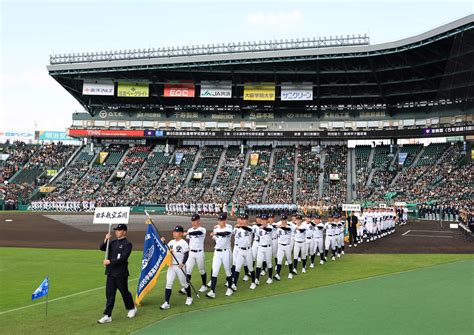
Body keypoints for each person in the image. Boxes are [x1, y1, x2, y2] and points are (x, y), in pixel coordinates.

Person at [97, 224, 136, 324]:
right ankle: (107, 315)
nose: (116, 232)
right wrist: (106, 239)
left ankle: (131, 308)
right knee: (109, 295)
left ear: (124, 232)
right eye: (116, 230)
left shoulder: (128, 244)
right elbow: (102, 248)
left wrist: (110, 261)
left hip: (121, 274)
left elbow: (123, 258)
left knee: (124, 292)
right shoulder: (112, 242)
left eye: (119, 230)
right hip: (110, 273)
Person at [206, 213, 234, 298]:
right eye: (219, 220)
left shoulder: (229, 227)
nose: (220, 221)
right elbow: (215, 240)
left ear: (225, 220)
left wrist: (216, 234)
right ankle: (212, 291)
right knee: (214, 271)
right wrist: (215, 235)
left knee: (228, 271)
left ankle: (229, 288)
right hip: (217, 252)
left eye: (222, 220)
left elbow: (225, 233)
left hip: (226, 252)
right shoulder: (216, 228)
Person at [182, 213, 208, 293]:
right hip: (191, 253)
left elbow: (199, 233)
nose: (193, 222)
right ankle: (186, 287)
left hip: (199, 253)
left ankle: (204, 285)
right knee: (188, 271)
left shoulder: (202, 229)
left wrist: (189, 233)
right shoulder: (190, 230)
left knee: (201, 270)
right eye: (192, 221)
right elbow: (188, 241)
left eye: (195, 221)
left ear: (198, 221)